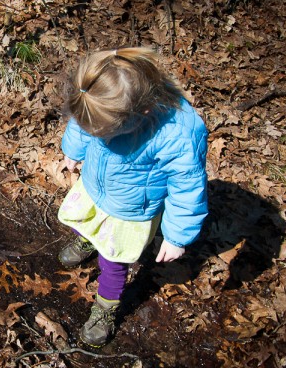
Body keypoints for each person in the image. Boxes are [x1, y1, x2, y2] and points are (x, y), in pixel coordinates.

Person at [57, 48, 208, 347]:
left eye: (106, 133)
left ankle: (105, 307)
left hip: (131, 207)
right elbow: (82, 121)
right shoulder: (99, 92)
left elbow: (187, 187)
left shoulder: (178, 134)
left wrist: (177, 236)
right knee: (86, 219)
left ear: (143, 114)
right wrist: (73, 151)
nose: (99, 137)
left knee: (113, 262)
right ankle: (88, 237)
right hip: (97, 186)